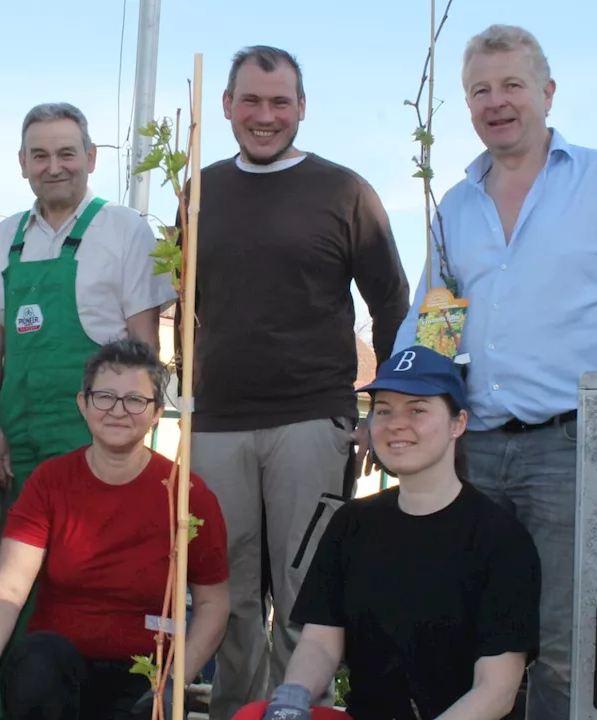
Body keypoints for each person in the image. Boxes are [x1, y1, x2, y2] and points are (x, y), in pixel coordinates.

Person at [389, 24, 597, 720]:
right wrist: (399, 399)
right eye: (480, 90)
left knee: (560, 643)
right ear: (467, 104)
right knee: (471, 633)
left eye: (511, 86)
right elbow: (435, 321)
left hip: (574, 449)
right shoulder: (455, 206)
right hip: (476, 450)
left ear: (547, 93)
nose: (496, 102)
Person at [178, 46, 411, 718]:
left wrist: (383, 410)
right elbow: (184, 297)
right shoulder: (199, 190)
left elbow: (391, 303)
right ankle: (234, 710)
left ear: (302, 109)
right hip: (216, 423)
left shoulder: (345, 192)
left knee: (305, 590)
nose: (265, 115)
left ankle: (292, 709)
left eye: (280, 102)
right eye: (250, 100)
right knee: (227, 592)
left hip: (313, 419)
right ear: (226, 106)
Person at [0, 338, 230, 720]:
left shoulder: (188, 496)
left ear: (157, 412)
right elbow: (10, 586)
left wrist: (174, 684)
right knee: (37, 669)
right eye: (105, 396)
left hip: (145, 678)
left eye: (135, 400)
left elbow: (214, 603)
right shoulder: (51, 482)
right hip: (55, 674)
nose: (118, 410)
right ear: (83, 403)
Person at [251, 346, 541, 720]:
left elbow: (497, 689)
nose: (396, 423)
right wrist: (292, 697)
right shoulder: (352, 523)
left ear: (459, 423)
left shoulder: (500, 537)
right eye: (383, 410)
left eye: (417, 409)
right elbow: (322, 641)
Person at [0, 101, 176, 535]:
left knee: (94, 562)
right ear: (23, 164)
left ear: (91, 158)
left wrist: (131, 432)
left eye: (67, 154)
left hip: (97, 435)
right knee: (21, 566)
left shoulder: (124, 228)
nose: (53, 167)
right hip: (16, 439)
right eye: (39, 155)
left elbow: (145, 342)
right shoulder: (6, 237)